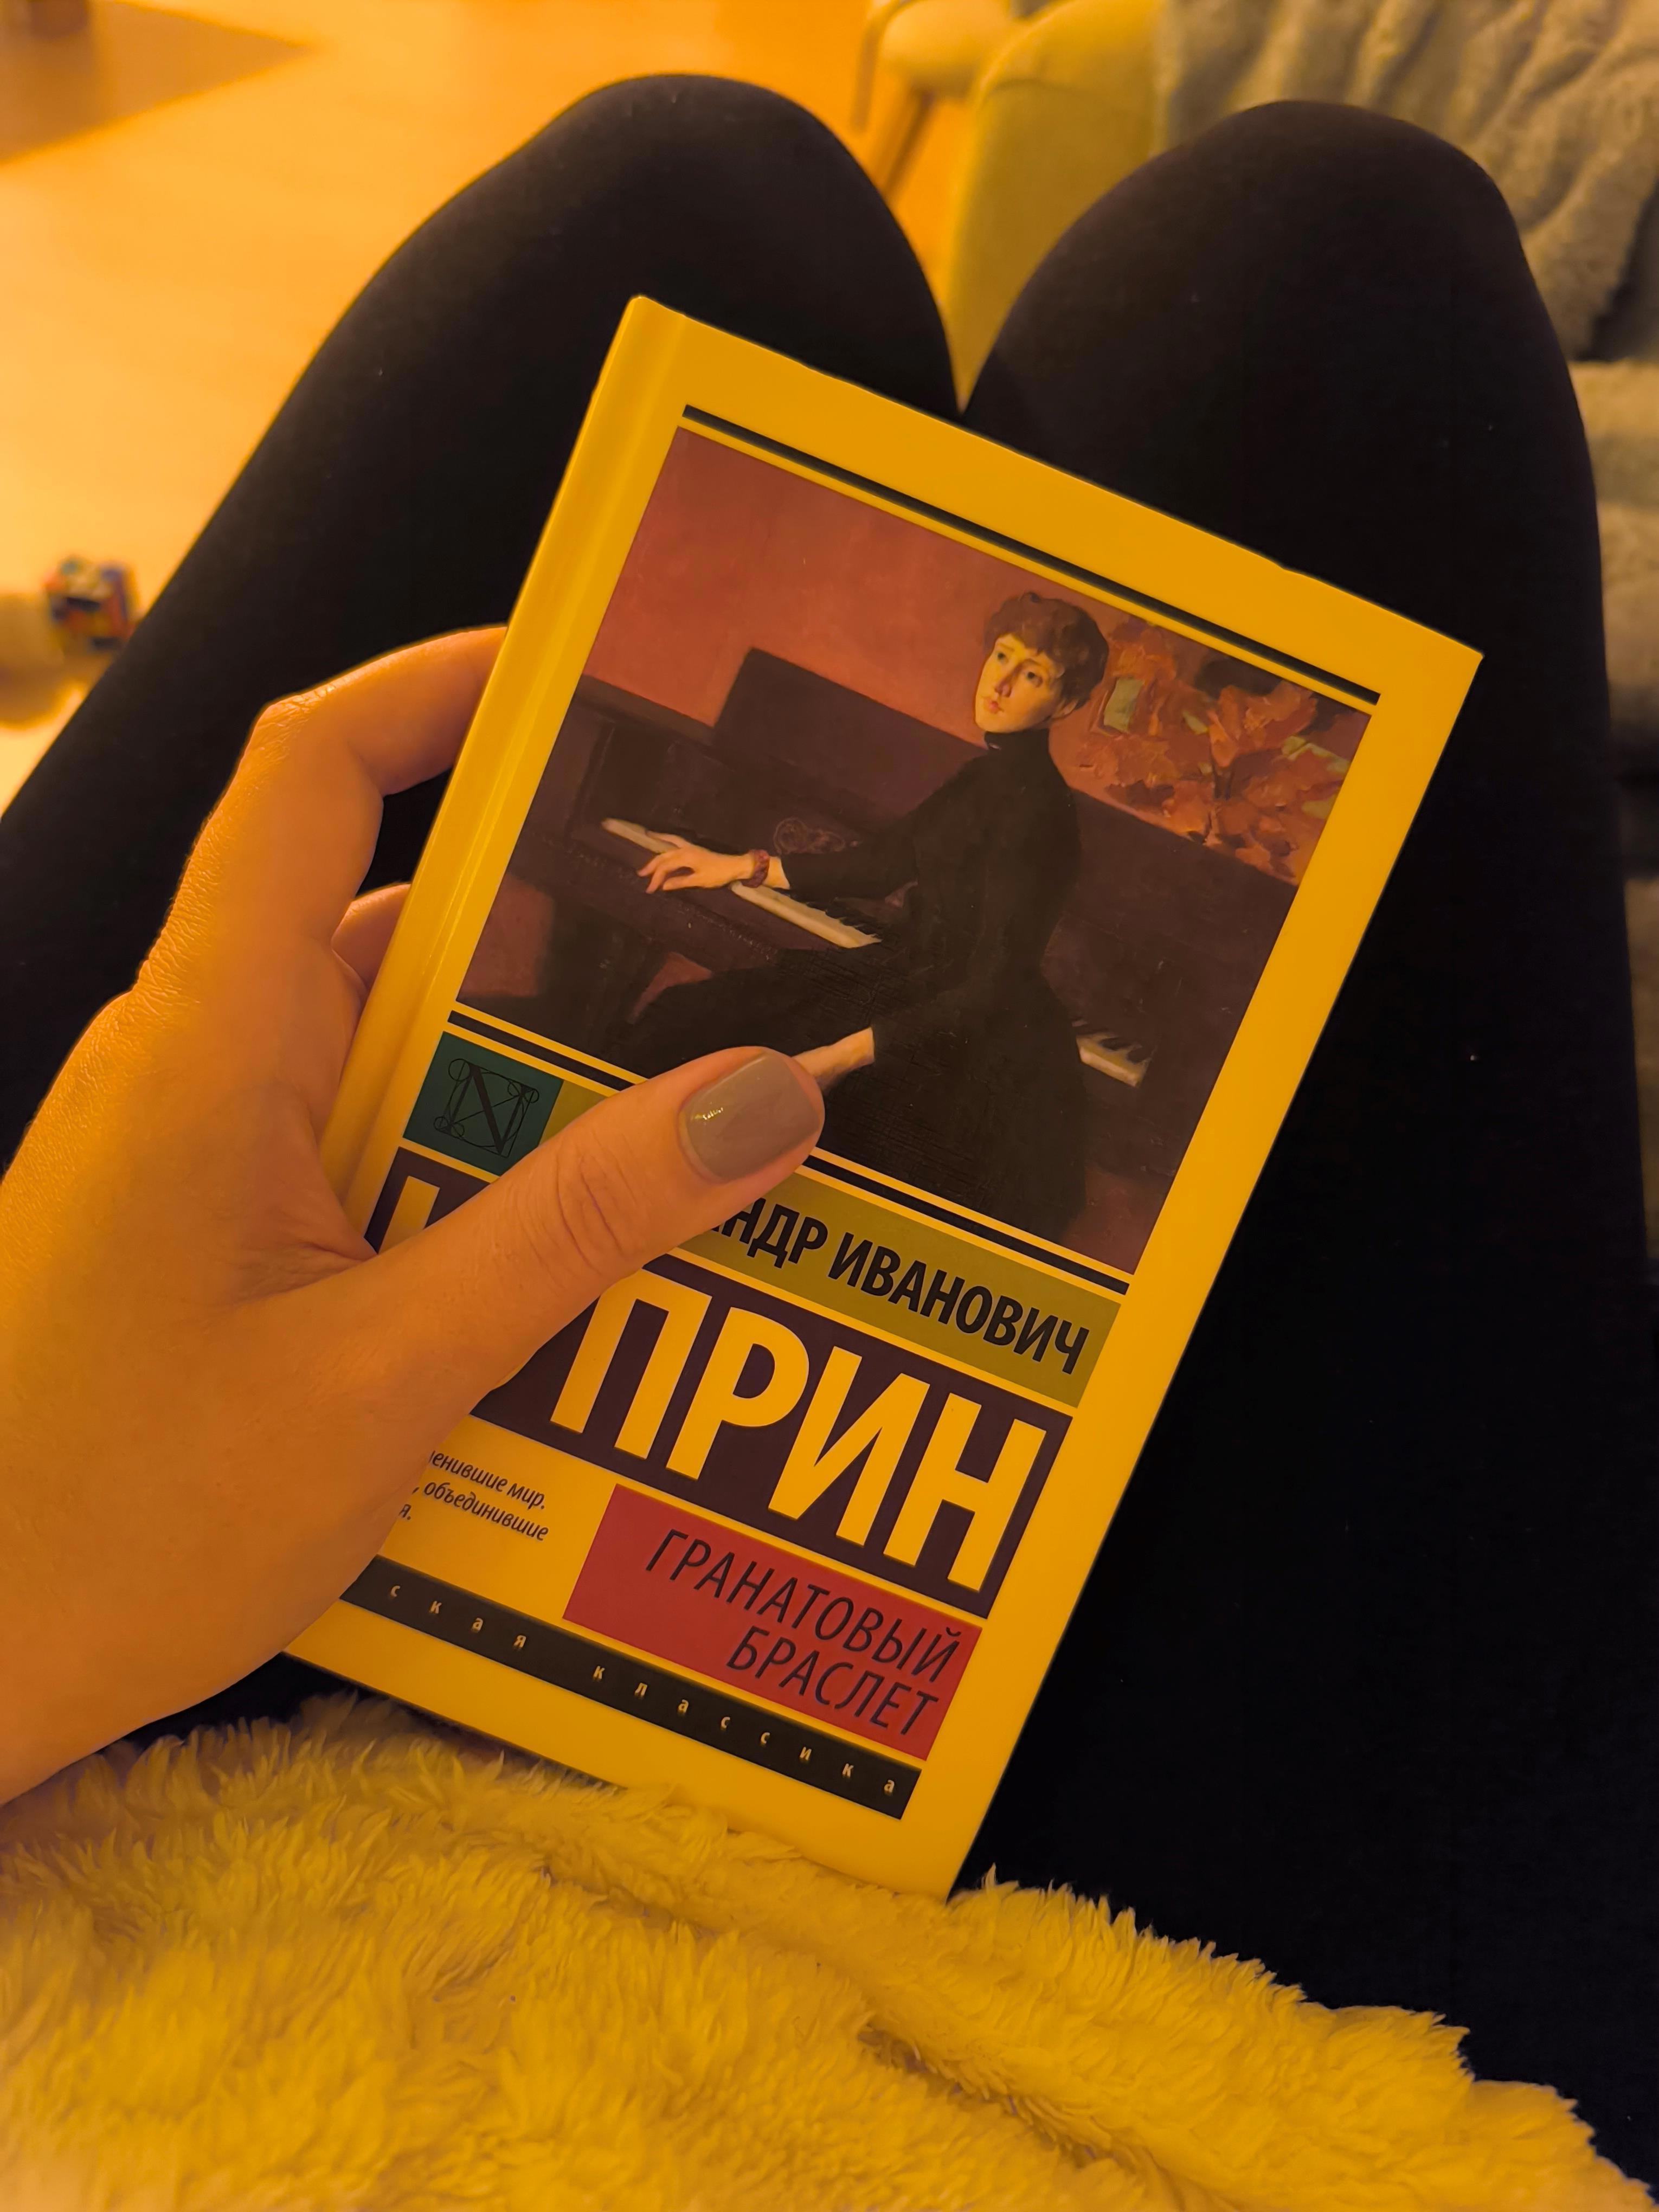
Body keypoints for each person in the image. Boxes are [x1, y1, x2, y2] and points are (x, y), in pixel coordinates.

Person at [0, 78, 1652, 2180]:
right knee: (1322, 267)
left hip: (925, 1065)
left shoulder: (1026, 812)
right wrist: (739, 879)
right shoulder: (991, 791)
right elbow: (884, 892)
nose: (1004, 696)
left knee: (696, 203)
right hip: (1240, 2070)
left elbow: (956, 970)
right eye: (1004, 672)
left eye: (1029, 679)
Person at [626, 592, 1105, 1238]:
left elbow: (992, 985)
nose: (1000, 684)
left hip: (967, 1033)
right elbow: (883, 864)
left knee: (797, 1117)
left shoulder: (1039, 813)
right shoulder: (986, 776)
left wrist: (838, 1057)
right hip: (915, 982)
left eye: (1032, 675)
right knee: (691, 1026)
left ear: (1065, 705)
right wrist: (741, 865)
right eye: (1003, 657)